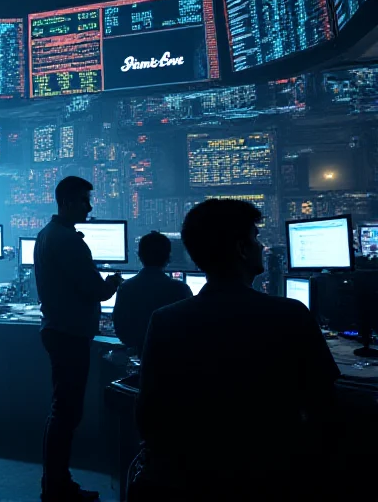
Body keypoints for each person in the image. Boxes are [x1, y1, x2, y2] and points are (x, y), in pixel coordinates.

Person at [135, 199, 340, 501]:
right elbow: (325, 408)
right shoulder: (291, 316)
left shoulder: (165, 320)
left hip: (189, 479)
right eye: (255, 238)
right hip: (273, 477)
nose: (261, 247)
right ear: (241, 249)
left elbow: (149, 416)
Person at [35, 176, 123, 502]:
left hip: (57, 328)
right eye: (85, 201)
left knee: (62, 410)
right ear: (69, 202)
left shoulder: (47, 235)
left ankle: (55, 483)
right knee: (66, 413)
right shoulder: (69, 241)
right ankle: (57, 487)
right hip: (71, 332)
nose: (89, 207)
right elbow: (95, 290)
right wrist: (113, 282)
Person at [113, 231, 192, 355]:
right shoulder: (181, 289)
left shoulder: (125, 288)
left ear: (139, 256)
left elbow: (120, 328)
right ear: (168, 258)